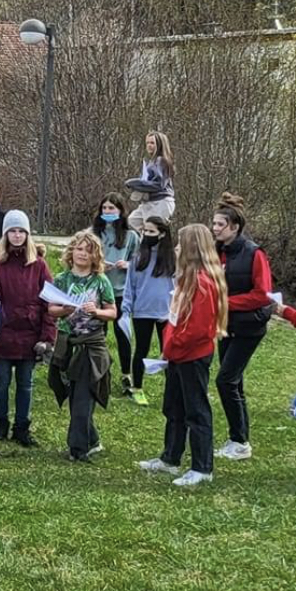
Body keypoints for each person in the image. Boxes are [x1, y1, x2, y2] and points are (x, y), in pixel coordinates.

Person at [137, 225, 227, 489]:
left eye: (180, 244)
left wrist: (173, 348)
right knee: (173, 407)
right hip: (177, 356)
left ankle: (202, 467)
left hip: (192, 356)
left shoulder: (202, 283)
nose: (175, 249)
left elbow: (197, 330)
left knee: (196, 411)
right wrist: (169, 350)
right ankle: (170, 457)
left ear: (191, 249)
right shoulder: (186, 280)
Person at [211, 195, 273, 462]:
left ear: (235, 227)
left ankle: (240, 441)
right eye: (214, 223)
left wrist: (226, 302)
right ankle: (239, 438)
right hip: (226, 323)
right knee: (234, 381)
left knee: (225, 380)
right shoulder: (217, 251)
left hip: (250, 325)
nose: (215, 228)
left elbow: (262, 294)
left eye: (220, 224)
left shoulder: (254, 253)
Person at [46, 230, 116, 462]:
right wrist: (64, 309)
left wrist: (96, 312)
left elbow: (112, 312)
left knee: (84, 397)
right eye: (79, 249)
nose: (82, 254)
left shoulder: (101, 281)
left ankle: (78, 449)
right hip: (66, 344)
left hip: (91, 345)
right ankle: (92, 439)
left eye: (88, 250)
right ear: (71, 252)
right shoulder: (61, 279)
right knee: (73, 395)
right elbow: (51, 309)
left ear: (95, 255)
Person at [0, 211, 55, 446]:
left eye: (21, 231)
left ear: (28, 235)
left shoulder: (38, 265)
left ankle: (22, 427)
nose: (17, 236)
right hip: (3, 333)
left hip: (30, 334)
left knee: (25, 384)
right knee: (1, 382)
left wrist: (47, 337)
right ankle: (0, 424)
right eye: (12, 231)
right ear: (5, 234)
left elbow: (49, 303)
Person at [120, 218, 175, 404]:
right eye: (145, 231)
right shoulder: (138, 258)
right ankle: (137, 388)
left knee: (168, 351)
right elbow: (130, 286)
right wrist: (126, 310)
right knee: (141, 349)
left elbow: (176, 286)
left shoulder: (172, 259)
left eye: (151, 232)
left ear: (162, 234)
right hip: (142, 312)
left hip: (166, 313)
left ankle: (172, 390)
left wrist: (174, 310)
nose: (146, 235)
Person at [93, 195, 139, 390]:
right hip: (98, 292)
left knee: (123, 334)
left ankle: (126, 375)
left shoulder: (131, 236)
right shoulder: (94, 233)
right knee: (98, 335)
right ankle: (99, 372)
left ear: (120, 210)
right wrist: (98, 265)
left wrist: (128, 264)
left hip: (120, 292)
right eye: (104, 208)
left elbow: (139, 261)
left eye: (111, 208)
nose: (107, 212)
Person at [125, 129, 175, 230]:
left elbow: (159, 184)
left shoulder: (161, 161)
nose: (149, 145)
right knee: (131, 223)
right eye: (147, 143)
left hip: (160, 202)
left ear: (160, 145)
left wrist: (135, 183)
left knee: (153, 230)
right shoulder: (151, 162)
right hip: (149, 202)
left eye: (152, 143)